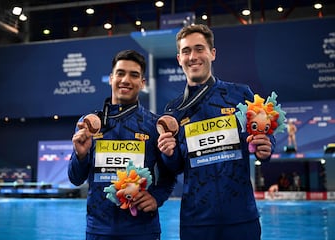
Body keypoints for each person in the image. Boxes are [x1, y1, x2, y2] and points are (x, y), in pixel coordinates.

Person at [157, 24, 276, 240]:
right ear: (179, 59)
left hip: (241, 218)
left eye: (199, 49)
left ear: (212, 53)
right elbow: (174, 167)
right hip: (196, 223)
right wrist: (168, 153)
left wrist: (267, 147)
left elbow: (264, 136)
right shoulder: (173, 111)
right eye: (186, 51)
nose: (193, 56)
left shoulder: (240, 95)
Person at [68, 50, 176, 240]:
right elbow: (75, 179)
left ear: (142, 83)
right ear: (111, 78)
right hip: (98, 231)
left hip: (143, 230)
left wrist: (157, 198)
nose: (125, 80)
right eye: (120, 73)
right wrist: (81, 155)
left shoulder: (153, 125)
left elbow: (170, 174)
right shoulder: (89, 124)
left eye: (134, 75)